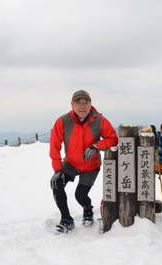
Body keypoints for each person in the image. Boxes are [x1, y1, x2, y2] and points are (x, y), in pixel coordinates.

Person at [49, 89, 118, 233]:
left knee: (80, 195)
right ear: (72, 105)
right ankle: (66, 220)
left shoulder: (99, 120)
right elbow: (54, 145)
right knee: (56, 183)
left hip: (91, 165)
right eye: (78, 102)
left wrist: (96, 146)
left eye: (85, 102)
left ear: (90, 104)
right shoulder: (63, 121)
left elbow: (113, 139)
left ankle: (87, 209)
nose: (82, 106)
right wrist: (58, 169)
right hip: (71, 164)